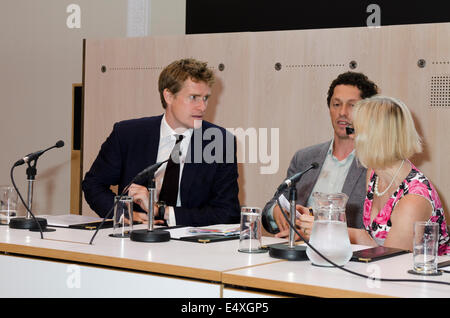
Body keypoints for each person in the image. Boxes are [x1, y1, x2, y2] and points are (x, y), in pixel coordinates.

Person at [82, 58, 240, 227]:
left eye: (206, 98)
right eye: (194, 98)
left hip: (191, 246)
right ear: (169, 96)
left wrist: (161, 211)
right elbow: (93, 185)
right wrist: (122, 212)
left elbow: (227, 212)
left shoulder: (219, 141)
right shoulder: (128, 134)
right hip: (134, 241)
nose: (202, 107)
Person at [262, 72, 379, 239]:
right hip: (299, 254)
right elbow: (272, 206)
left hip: (348, 259)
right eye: (336, 104)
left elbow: (379, 233)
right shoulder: (305, 158)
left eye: (352, 106)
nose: (342, 113)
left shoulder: (376, 164)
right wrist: (276, 213)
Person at [348, 96, 449, 255]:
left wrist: (331, 229)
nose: (350, 136)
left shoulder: (414, 199)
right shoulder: (374, 174)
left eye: (353, 130)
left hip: (424, 277)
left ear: (375, 139)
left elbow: (391, 259)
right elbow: (374, 242)